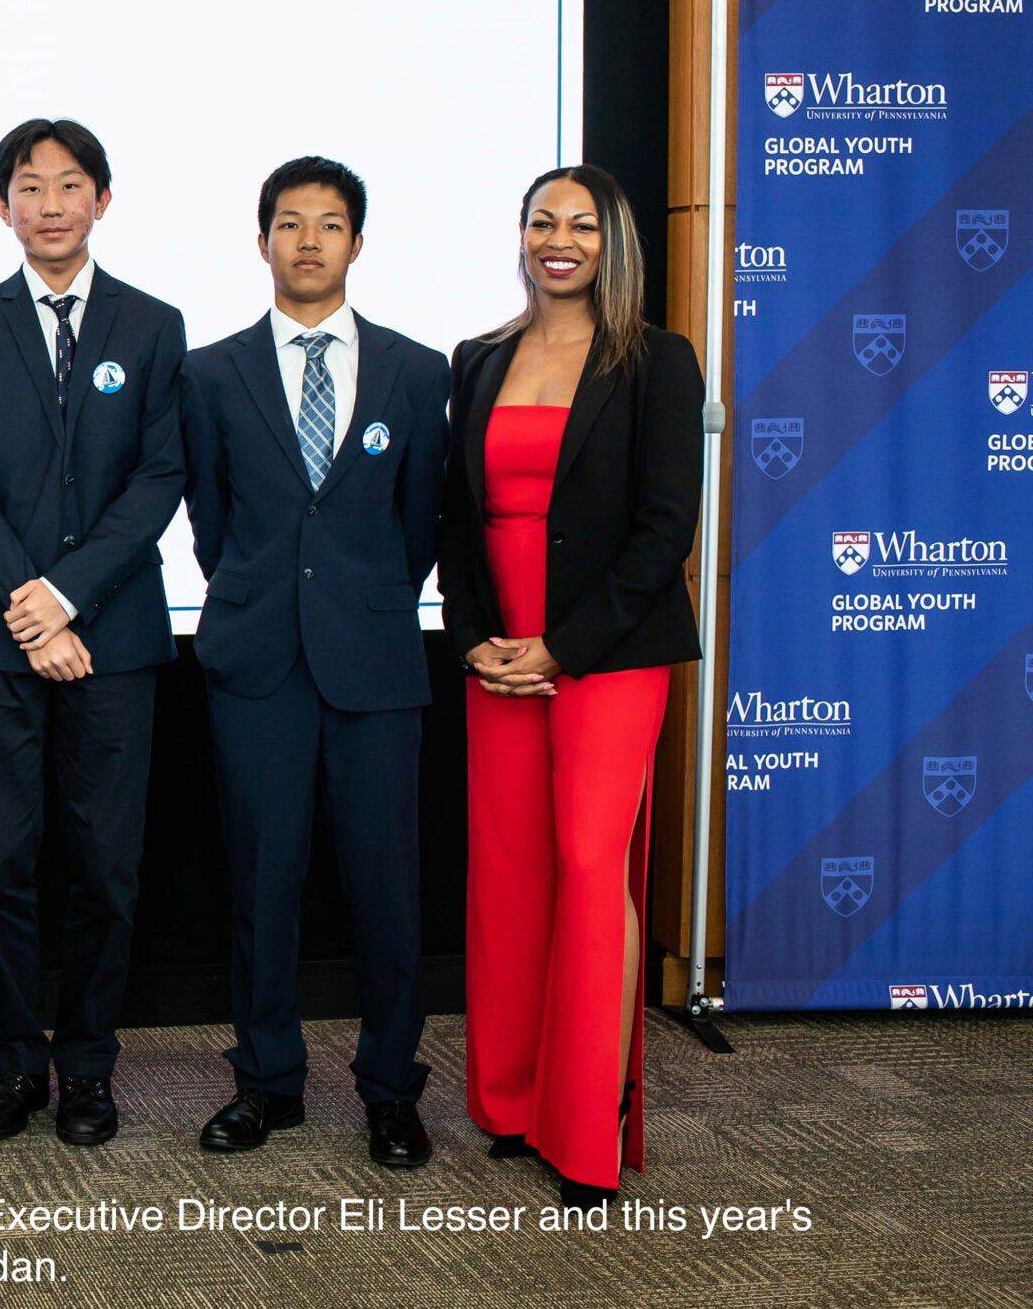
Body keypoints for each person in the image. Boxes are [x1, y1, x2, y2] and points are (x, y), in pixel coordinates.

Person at [437, 164, 702, 1209]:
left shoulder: (655, 361)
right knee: (508, 875)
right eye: (541, 220)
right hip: (498, 654)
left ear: (612, 242)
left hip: (609, 651)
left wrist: (562, 643)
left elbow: (663, 530)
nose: (558, 238)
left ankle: (585, 1123)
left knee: (591, 866)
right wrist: (476, 640)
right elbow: (455, 518)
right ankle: (509, 1103)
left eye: (581, 224)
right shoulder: (480, 356)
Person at [180, 157, 448, 1168]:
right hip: (257, 660)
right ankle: (266, 1080)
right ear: (261, 243)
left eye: (328, 224)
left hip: (374, 659)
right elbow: (211, 519)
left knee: (386, 886)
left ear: (356, 243)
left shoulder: (418, 372)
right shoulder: (210, 371)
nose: (306, 241)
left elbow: (418, 517)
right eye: (287, 223)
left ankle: (389, 1087)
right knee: (262, 880)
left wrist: (357, 594)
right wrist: (266, 595)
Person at [0, 118, 188, 1148]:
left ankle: (87, 1066)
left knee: (104, 865)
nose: (48, 203)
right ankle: (12, 1062)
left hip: (113, 636)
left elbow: (159, 475)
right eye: (28, 187)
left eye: (68, 184)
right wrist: (29, 607)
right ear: (1, 206)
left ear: (102, 199)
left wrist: (68, 596)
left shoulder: (152, 322)